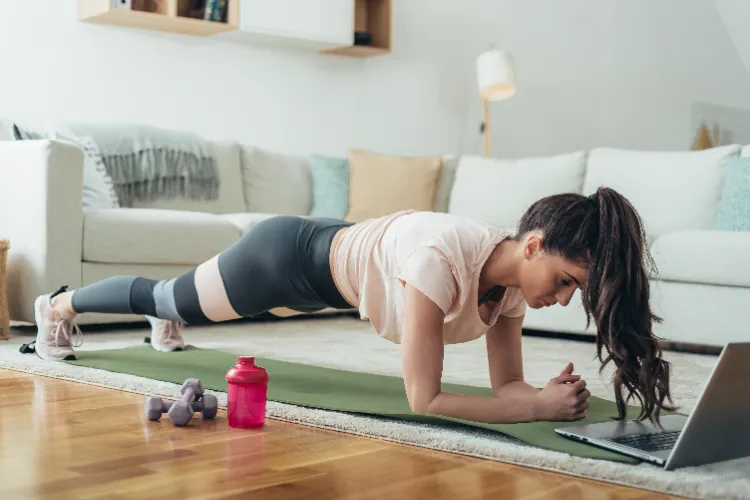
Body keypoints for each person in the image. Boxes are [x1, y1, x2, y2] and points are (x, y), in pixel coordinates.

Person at [31, 186, 674, 425]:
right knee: (166, 295)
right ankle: (60, 303)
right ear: (533, 244)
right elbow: (425, 400)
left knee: (183, 303)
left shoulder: (507, 289)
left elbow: (506, 386)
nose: (561, 300)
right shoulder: (439, 264)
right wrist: (531, 407)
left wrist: (537, 396)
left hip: (328, 267)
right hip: (282, 261)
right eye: (564, 280)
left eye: (573, 292)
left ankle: (172, 316)